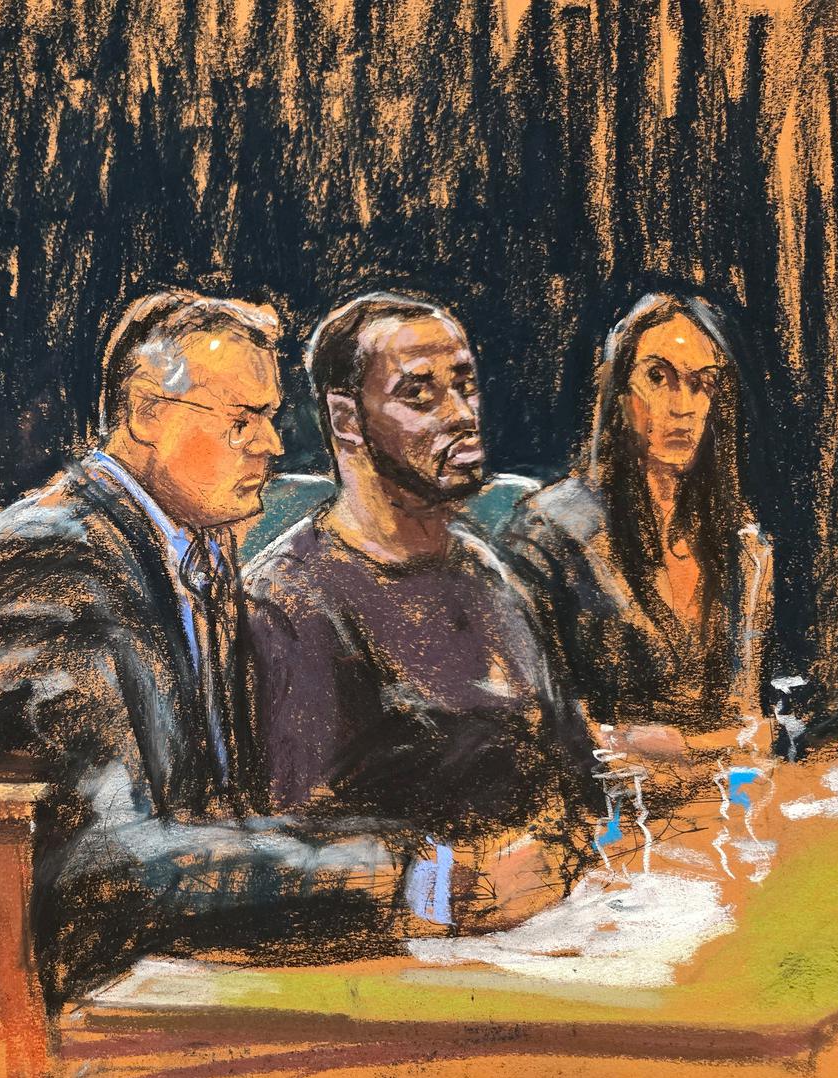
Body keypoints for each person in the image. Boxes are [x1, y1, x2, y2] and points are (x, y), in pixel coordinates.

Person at [0, 290, 473, 1010]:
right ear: (147, 414)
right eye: (241, 420)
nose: (272, 445)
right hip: (3, 998)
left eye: (270, 417)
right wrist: (417, 878)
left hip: (135, 977)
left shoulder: (193, 552)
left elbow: (211, 826)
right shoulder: (50, 556)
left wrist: (417, 860)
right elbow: (107, 868)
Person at [245, 292, 599, 855]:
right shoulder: (290, 599)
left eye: (465, 385)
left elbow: (575, 768)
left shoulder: (486, 572)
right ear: (346, 420)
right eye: (419, 393)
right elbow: (303, 847)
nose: (461, 413)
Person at [502, 292, 773, 805]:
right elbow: (555, 738)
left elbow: (752, 732)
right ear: (618, 391)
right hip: (601, 819)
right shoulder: (548, 535)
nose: (683, 406)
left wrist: (667, 748)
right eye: (658, 377)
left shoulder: (744, 547)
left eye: (703, 383)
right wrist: (701, 752)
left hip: (719, 812)